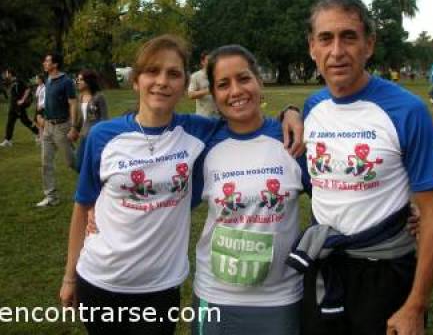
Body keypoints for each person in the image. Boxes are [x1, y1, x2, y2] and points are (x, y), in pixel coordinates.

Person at [60, 35, 303, 334]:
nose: (162, 81)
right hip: (100, 280)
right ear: (136, 81)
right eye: (152, 71)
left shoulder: (204, 133)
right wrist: (69, 277)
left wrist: (291, 111)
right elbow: (83, 203)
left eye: (173, 74)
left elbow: (250, 125)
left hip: (162, 287)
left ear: (184, 84)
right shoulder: (104, 136)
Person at [299, 0, 433, 335]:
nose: (337, 51)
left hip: (385, 274)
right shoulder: (312, 107)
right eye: (325, 38)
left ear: (369, 44)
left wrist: (415, 306)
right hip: (324, 265)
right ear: (312, 47)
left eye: (348, 36)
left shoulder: (407, 110)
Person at [190, 45, 311, 335]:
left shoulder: (293, 141)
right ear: (214, 95)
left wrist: (399, 214)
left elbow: (336, 198)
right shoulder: (202, 145)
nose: (235, 91)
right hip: (215, 295)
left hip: (280, 298)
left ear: (259, 81)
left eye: (243, 78)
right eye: (223, 84)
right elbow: (166, 198)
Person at [36, 53, 78, 207]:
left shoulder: (66, 81)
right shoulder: (48, 80)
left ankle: (96, 180)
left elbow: (73, 104)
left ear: (55, 64)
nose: (44, 63)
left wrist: (73, 127)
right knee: (46, 162)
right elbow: (47, 101)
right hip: (48, 126)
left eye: (47, 61)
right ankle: (51, 196)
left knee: (71, 162)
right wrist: (41, 115)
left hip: (62, 127)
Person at [74, 69, 109, 172]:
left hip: (95, 136)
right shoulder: (81, 97)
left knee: (95, 164)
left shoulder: (99, 97)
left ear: (88, 82)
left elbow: (104, 118)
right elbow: (82, 118)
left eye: (81, 80)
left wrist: (102, 137)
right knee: (79, 165)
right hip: (84, 136)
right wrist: (75, 129)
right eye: (78, 79)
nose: (78, 82)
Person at [0, 67, 38, 147]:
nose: (6, 75)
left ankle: (39, 133)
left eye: (7, 73)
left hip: (19, 108)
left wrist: (23, 100)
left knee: (26, 121)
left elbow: (28, 89)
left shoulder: (18, 81)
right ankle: (8, 140)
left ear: (10, 74)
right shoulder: (12, 82)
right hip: (13, 107)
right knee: (10, 123)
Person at [188, 51, 219, 117]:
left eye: (212, 60)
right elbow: (191, 95)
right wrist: (208, 91)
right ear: (202, 62)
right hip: (203, 117)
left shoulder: (218, 75)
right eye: (209, 60)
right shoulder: (195, 76)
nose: (211, 62)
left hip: (218, 117)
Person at [34, 73, 46, 144]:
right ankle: (41, 137)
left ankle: (43, 137)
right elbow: (37, 97)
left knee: (41, 123)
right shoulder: (38, 87)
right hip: (38, 106)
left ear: (41, 79)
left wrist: (41, 105)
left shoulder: (45, 88)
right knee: (37, 122)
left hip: (42, 107)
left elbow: (45, 99)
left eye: (37, 78)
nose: (36, 80)